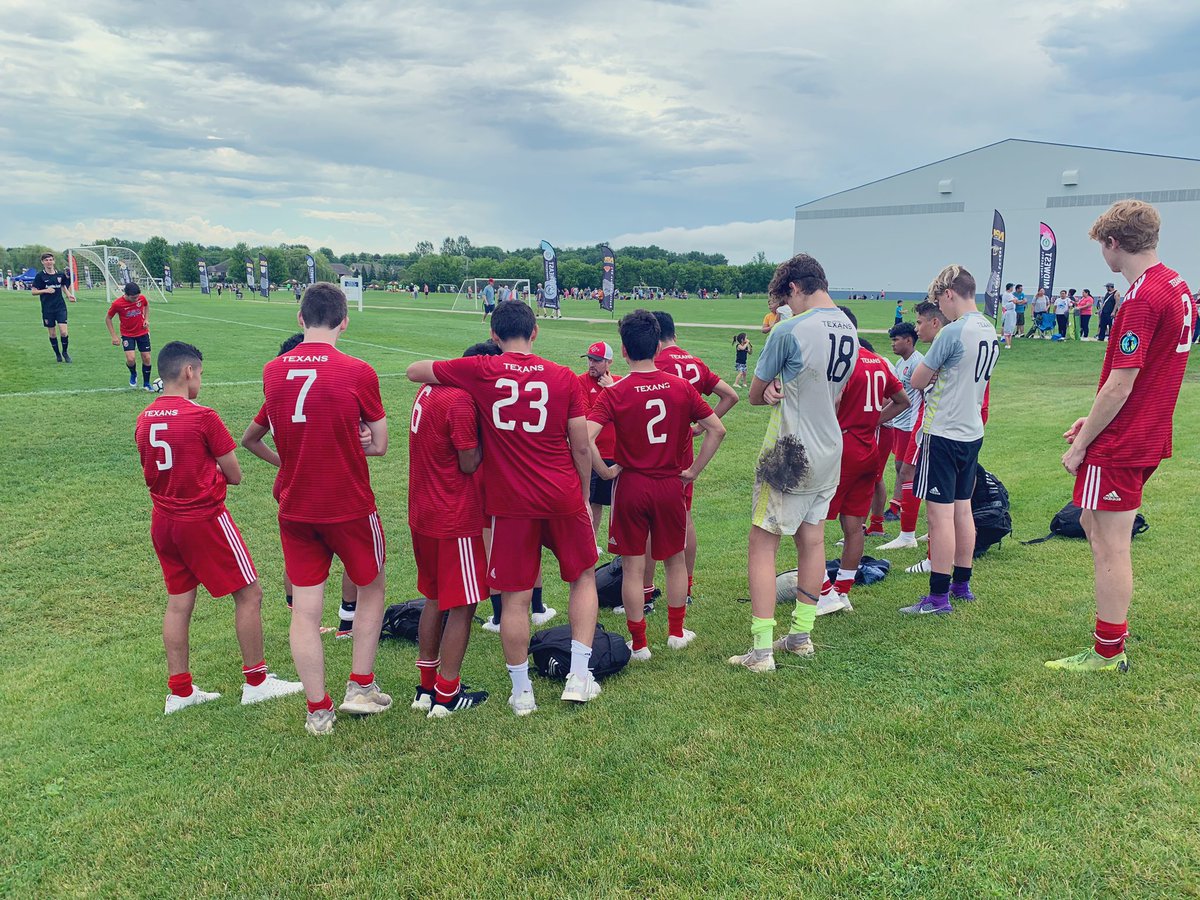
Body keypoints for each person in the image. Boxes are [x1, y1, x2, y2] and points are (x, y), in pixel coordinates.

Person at [407, 301, 603, 715]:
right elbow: (581, 444)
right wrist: (584, 494)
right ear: (536, 332)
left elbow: (415, 370)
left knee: (514, 597)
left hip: (511, 501)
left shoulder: (482, 370)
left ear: (494, 336)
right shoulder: (564, 376)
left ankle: (522, 692)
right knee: (582, 577)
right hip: (561, 493)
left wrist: (472, 369)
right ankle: (580, 676)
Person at [1049, 200, 1193, 672]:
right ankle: (1114, 633)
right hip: (1145, 430)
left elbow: (1121, 382)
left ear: (1114, 244)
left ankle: (1108, 651)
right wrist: (1088, 422)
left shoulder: (1141, 297)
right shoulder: (1178, 285)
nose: (1103, 257)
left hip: (1124, 440)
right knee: (1095, 526)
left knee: (1110, 543)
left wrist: (1083, 443)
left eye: (1101, 247)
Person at [136, 341, 303, 714]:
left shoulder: (145, 417)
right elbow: (235, 475)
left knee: (179, 602)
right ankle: (257, 682)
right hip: (204, 520)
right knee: (249, 593)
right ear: (189, 372)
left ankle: (179, 691)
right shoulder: (202, 416)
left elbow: (152, 472)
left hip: (163, 521)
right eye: (200, 374)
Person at [260, 283, 391, 736]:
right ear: (344, 321)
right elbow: (380, 444)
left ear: (300, 319)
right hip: (348, 502)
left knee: (305, 610)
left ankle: (318, 710)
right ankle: (360, 685)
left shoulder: (273, 371)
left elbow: (276, 428)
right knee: (372, 588)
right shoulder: (358, 370)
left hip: (296, 505)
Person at [729, 253, 858, 672]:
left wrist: (766, 393)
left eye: (786, 298)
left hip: (791, 451)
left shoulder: (791, 329)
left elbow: (754, 391)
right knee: (813, 538)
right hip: (829, 447)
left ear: (794, 289)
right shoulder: (850, 328)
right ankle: (801, 636)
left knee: (762, 543)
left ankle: (762, 650)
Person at [587, 309, 725, 659]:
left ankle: (640, 643)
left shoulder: (615, 391)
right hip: (668, 484)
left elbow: (584, 437)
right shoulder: (680, 387)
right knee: (675, 561)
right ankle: (677, 632)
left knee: (634, 567)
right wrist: (692, 471)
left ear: (624, 349)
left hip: (631, 485)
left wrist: (604, 472)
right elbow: (717, 429)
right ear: (656, 344)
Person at [901, 265, 997, 615]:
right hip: (972, 431)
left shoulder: (953, 332)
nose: (939, 308)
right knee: (962, 509)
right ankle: (962, 584)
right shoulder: (989, 328)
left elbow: (918, 380)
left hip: (943, 432)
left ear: (949, 293)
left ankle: (938, 596)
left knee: (939, 517)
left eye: (939, 299)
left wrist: (935, 371)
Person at [408, 348, 490, 717]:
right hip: (452, 514)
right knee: (463, 603)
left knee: (435, 596)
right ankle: (447, 692)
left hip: (423, 509)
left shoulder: (428, 389)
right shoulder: (460, 400)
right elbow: (468, 460)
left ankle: (426, 687)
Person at [818, 319, 908, 615]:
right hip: (868, 446)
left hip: (841, 448)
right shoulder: (878, 362)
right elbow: (902, 400)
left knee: (812, 524)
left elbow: (835, 400)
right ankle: (843, 591)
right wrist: (873, 421)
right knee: (854, 525)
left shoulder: (842, 363)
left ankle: (824, 591)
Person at [651, 311, 739, 605]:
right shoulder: (694, 362)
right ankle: (685, 586)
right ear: (674, 334)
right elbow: (730, 396)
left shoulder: (655, 362)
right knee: (685, 517)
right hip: (685, 452)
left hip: (657, 447)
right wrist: (701, 425)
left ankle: (646, 589)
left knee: (649, 521)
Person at [877, 321, 926, 548]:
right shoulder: (900, 362)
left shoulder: (918, 362)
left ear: (909, 340)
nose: (893, 344)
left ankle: (899, 506)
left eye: (896, 340)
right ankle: (899, 504)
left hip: (911, 424)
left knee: (906, 468)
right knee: (900, 466)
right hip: (899, 422)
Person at [577, 341, 622, 547]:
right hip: (593, 453)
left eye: (597, 360)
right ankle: (591, 543)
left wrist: (611, 389)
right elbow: (588, 418)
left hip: (617, 453)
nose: (591, 364)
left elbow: (629, 415)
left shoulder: (620, 383)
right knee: (593, 501)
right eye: (589, 359)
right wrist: (609, 393)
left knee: (619, 502)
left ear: (609, 362)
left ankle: (620, 542)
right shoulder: (580, 383)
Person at [106, 283, 155, 389]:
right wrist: (114, 336)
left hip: (142, 332)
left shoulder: (141, 298)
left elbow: (146, 305)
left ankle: (146, 384)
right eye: (133, 297)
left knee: (146, 357)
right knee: (131, 359)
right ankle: (133, 373)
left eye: (137, 297)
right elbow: (108, 319)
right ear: (126, 294)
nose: (136, 299)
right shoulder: (117, 304)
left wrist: (146, 319)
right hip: (127, 334)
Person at [32, 251, 76, 362]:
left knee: (64, 332)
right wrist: (45, 290)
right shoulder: (40, 276)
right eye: (46, 260)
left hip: (60, 307)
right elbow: (33, 291)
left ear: (54, 261)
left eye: (50, 259)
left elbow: (63, 286)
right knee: (52, 333)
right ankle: (57, 354)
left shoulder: (60, 274)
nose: (49, 262)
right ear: (43, 262)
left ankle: (65, 352)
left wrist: (69, 295)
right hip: (47, 309)